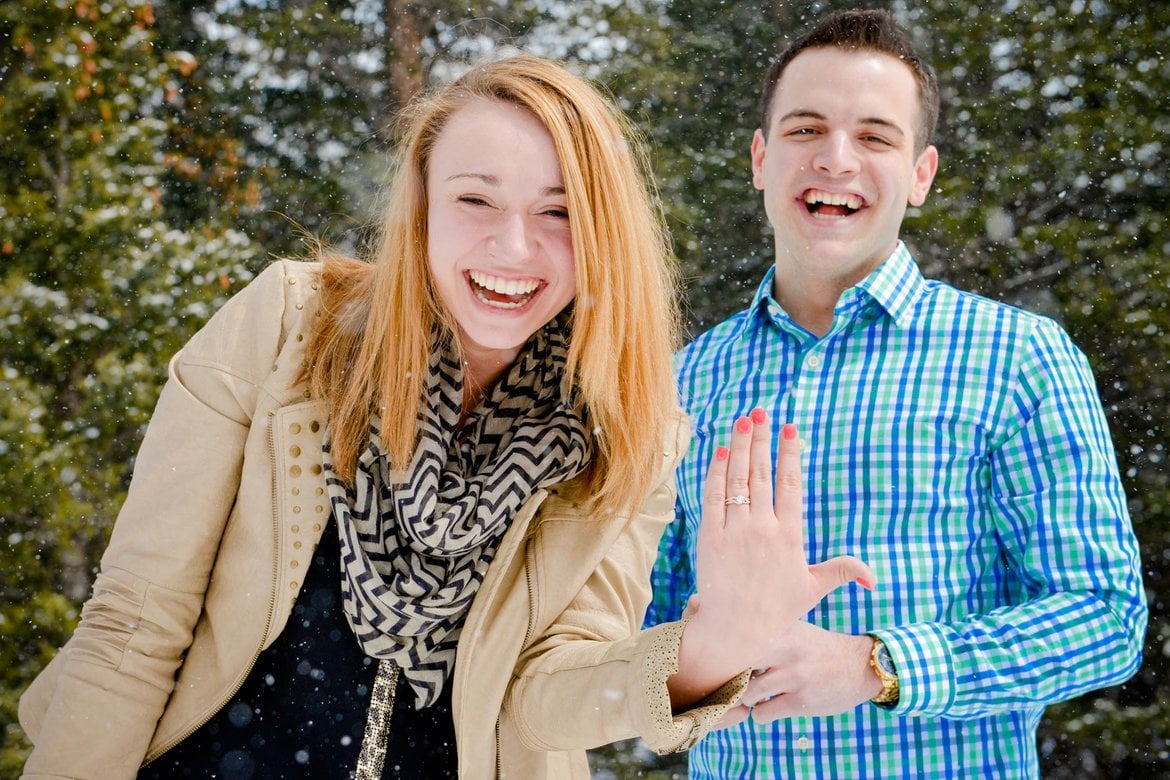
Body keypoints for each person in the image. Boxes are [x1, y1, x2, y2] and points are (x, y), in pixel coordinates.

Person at [18, 54, 869, 779]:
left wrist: (712, 648)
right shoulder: (287, 326)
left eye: (560, 212)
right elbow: (135, 623)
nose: (513, 247)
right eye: (475, 200)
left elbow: (546, 694)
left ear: (604, 232)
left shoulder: (628, 429)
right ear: (420, 205)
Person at [646, 9, 1147, 778]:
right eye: (805, 129)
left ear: (921, 174)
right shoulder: (685, 382)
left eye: (875, 137)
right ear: (760, 158)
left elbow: (1106, 619)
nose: (836, 160)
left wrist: (881, 666)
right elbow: (642, 653)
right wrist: (689, 676)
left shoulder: (1017, 359)